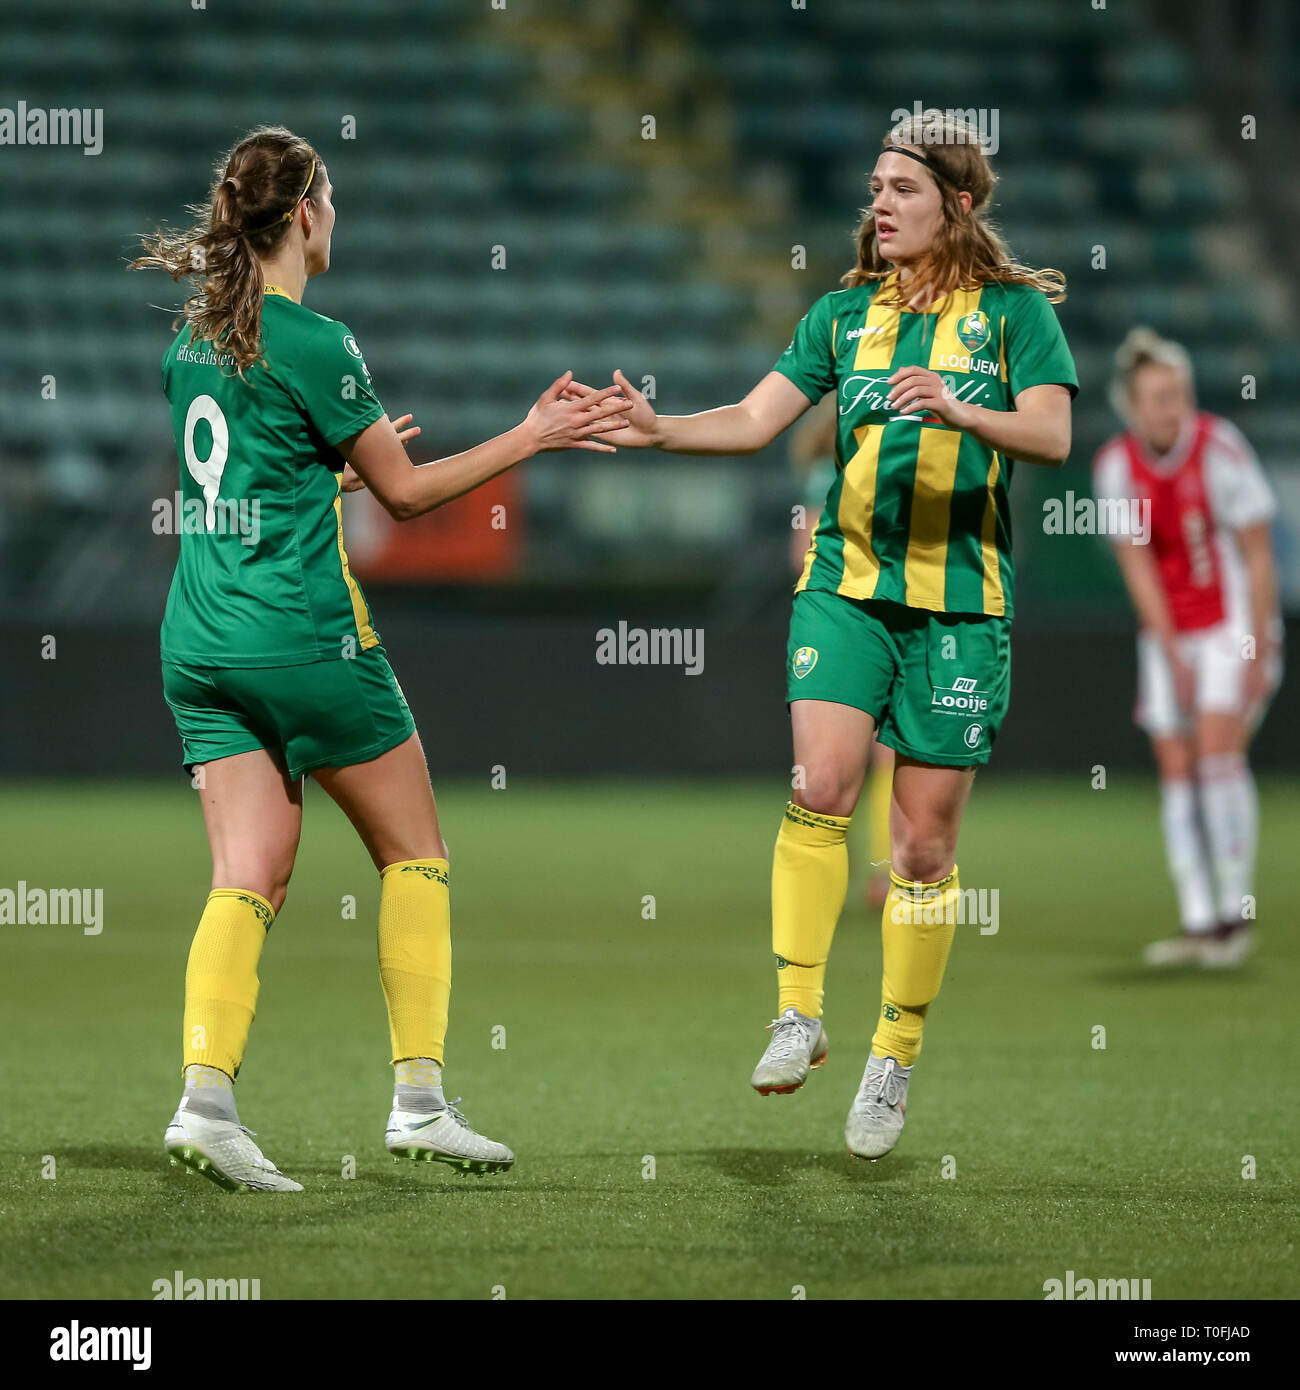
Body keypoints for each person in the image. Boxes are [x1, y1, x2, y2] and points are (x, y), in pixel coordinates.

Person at [130, 125, 631, 1191]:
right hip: (300, 637)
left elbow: (240, 484)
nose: (339, 217)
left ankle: (205, 1101)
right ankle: (418, 1102)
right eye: (334, 200)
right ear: (304, 214)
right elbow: (407, 495)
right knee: (416, 851)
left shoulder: (191, 340)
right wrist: (530, 434)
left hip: (199, 640)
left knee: (247, 873)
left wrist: (325, 480)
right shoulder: (318, 340)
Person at [584, 110, 1076, 1160]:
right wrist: (663, 427)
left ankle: (890, 1059)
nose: (879, 206)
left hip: (960, 608)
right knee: (820, 788)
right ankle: (798, 1014)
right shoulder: (843, 316)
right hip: (845, 588)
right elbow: (758, 419)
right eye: (874, 189)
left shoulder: (1014, 317)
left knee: (923, 846)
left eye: (901, 188)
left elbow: (1052, 431)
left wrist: (960, 410)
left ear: (960, 201)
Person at [1094, 328, 1281, 968]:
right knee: (1177, 770)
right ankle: (1198, 919)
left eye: (1179, 393)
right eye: (1158, 396)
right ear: (1132, 405)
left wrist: (1256, 647)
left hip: (1233, 624)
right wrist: (1170, 651)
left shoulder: (1221, 449)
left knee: (1216, 758)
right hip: (1171, 632)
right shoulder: (1117, 466)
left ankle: (1236, 915)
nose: (1172, 407)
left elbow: (1258, 557)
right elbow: (1139, 568)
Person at [789, 401, 895, 911]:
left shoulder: (839, 464)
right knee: (858, 764)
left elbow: (800, 550)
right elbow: (804, 547)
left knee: (852, 765)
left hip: (857, 622)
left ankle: (874, 873)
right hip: (853, 619)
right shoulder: (833, 467)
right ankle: (875, 874)